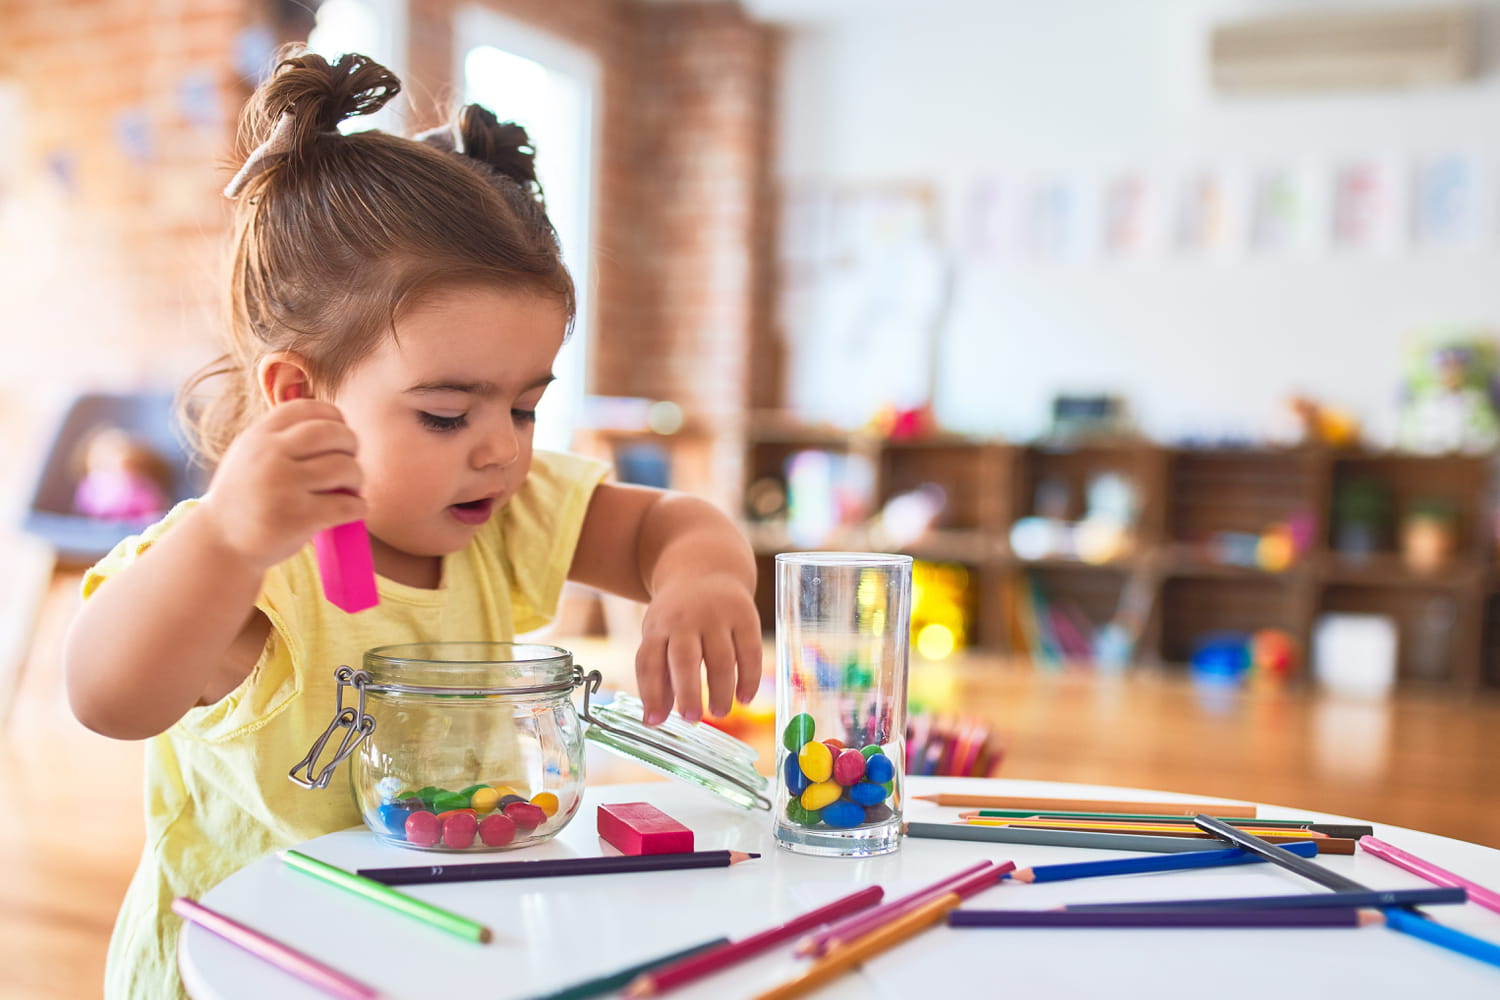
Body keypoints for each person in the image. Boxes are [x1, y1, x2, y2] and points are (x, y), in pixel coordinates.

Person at [62, 49, 761, 1000]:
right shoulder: (245, 563)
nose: (500, 452)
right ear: (299, 395)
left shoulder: (500, 515)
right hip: (242, 975)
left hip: (433, 953)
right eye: (446, 414)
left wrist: (703, 576)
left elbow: (666, 526)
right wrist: (226, 540)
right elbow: (109, 696)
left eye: (523, 407)